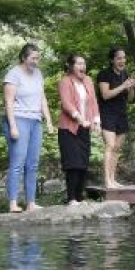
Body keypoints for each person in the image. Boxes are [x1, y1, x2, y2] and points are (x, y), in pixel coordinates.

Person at [3, 43, 54, 213]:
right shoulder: (13, 74)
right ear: (24, 58)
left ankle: (31, 203)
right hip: (18, 119)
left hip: (35, 120)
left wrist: (48, 121)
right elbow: (8, 102)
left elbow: (42, 98)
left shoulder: (38, 73)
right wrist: (13, 126)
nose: (36, 61)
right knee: (17, 162)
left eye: (38, 58)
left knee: (32, 164)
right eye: (33, 58)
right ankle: (13, 203)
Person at [58, 54, 101, 205]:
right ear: (71, 66)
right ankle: (71, 198)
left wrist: (96, 120)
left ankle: (79, 196)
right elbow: (66, 104)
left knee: (83, 162)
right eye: (79, 64)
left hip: (85, 127)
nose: (83, 66)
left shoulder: (88, 80)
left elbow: (94, 101)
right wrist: (79, 118)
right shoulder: (65, 81)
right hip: (69, 129)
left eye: (84, 64)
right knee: (72, 163)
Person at [96, 47, 135, 188]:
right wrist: (123, 86)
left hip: (121, 114)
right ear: (112, 60)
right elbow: (105, 95)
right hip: (107, 114)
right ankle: (107, 181)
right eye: (119, 58)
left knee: (117, 148)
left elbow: (130, 99)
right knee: (110, 145)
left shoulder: (125, 74)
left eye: (124, 58)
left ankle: (113, 179)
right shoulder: (104, 74)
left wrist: (131, 87)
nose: (122, 61)